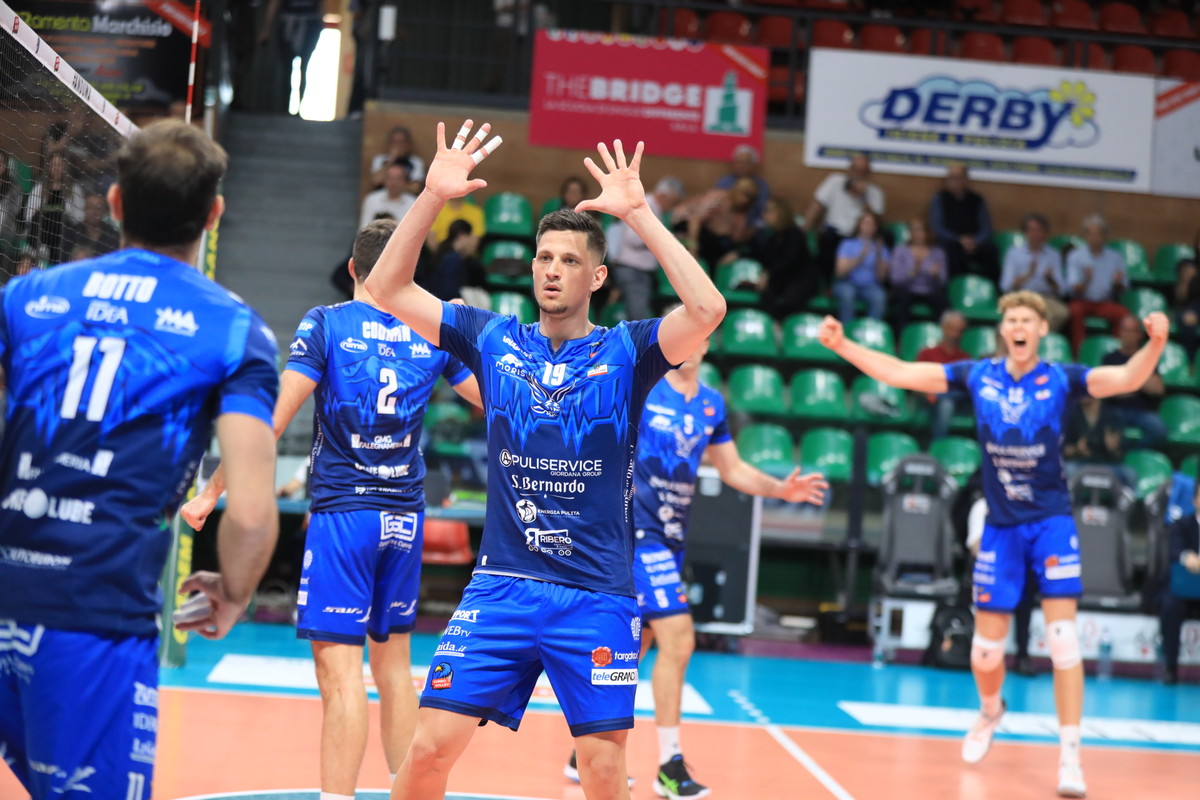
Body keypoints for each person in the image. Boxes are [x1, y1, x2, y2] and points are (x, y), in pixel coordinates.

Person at [363, 119, 725, 800]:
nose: (552, 269)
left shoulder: (628, 350)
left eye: (568, 260)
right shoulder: (490, 338)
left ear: (597, 275)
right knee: (428, 751)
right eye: (543, 257)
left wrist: (639, 214)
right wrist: (431, 196)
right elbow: (386, 289)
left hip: (596, 595)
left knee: (602, 769)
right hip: (502, 586)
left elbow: (707, 308)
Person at [0, 120, 280, 799]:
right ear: (214, 214)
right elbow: (249, 511)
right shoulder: (234, 330)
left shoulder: (25, 297)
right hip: (93, 615)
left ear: (116, 202)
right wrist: (234, 592)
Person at [818, 290, 1169, 798]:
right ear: (1003, 330)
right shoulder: (978, 375)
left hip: (1051, 523)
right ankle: (989, 710)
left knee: (1063, 641)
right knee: (985, 653)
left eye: (1028, 319)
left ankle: (1070, 755)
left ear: (1042, 329)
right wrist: (843, 345)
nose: (1019, 327)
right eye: (1011, 320)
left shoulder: (1061, 379)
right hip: (1001, 527)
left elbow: (1127, 379)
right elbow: (900, 373)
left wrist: (1155, 343)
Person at [182, 218, 481, 800]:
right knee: (393, 669)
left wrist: (210, 492)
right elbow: (496, 398)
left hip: (345, 516)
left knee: (341, 675)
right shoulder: (434, 331)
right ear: (409, 275)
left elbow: (271, 421)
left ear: (352, 270)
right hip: (405, 517)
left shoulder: (327, 322)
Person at [563, 334, 828, 799]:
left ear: (705, 345)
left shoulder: (711, 404)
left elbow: (732, 469)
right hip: (633, 533)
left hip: (671, 538)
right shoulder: (644, 387)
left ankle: (584, 749)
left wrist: (779, 490)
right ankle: (670, 765)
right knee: (680, 638)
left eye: (696, 337)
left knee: (636, 645)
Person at [608, 175, 685, 320]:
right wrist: (662, 237)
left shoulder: (653, 207)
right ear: (664, 195)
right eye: (673, 202)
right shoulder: (646, 206)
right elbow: (633, 238)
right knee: (638, 316)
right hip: (633, 270)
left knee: (638, 314)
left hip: (638, 270)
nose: (672, 206)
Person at [804, 153, 885, 287]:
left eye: (863, 171)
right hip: (834, 232)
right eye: (856, 170)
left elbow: (878, 223)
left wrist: (864, 198)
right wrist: (803, 230)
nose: (858, 174)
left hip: (858, 236)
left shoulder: (875, 192)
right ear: (849, 170)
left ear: (868, 174)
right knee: (827, 238)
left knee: (886, 237)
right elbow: (817, 205)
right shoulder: (835, 181)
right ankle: (826, 283)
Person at [1101, 314, 1167, 448]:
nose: (1128, 334)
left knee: (1159, 430)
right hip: (1114, 410)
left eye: (1132, 331)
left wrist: (1127, 381)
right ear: (1119, 332)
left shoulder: (1147, 357)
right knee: (1111, 433)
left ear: (1139, 334)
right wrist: (1141, 380)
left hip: (1142, 411)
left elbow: (1158, 389)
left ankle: (1135, 453)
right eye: (1125, 330)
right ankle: (1122, 456)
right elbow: (1109, 390)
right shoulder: (1110, 358)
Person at [1065, 215, 1128, 354]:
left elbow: (1123, 288)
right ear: (1085, 235)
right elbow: (1071, 289)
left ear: (1105, 236)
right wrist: (1086, 280)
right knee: (1074, 311)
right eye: (1091, 234)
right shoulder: (1076, 256)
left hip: (1105, 302)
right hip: (1082, 301)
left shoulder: (1115, 257)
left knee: (1123, 314)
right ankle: (1079, 352)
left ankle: (1117, 352)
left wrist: (1117, 283)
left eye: (1099, 233)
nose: (1095, 238)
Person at [1160, 482, 1200, 685]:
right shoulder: (1182, 525)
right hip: (1183, 589)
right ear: (1195, 500)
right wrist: (1187, 557)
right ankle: (1170, 668)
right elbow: (1174, 552)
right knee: (1170, 607)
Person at [930, 163, 998, 281]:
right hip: (951, 242)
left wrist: (974, 241)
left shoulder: (977, 200)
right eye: (950, 178)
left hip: (974, 243)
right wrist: (959, 240)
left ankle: (989, 288)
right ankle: (959, 287)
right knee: (952, 251)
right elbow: (938, 228)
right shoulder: (940, 199)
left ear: (966, 180)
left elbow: (986, 229)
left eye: (957, 178)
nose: (953, 181)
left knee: (992, 250)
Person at [999, 213, 1068, 331]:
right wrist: (1026, 276)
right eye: (1031, 230)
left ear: (1045, 233)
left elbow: (1062, 290)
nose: (1035, 234)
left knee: (1061, 312)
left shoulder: (1053, 255)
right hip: (1021, 296)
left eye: (1039, 230)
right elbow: (1005, 286)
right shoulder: (1014, 253)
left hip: (1045, 298)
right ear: (1025, 232)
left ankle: (1038, 336)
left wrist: (1050, 280)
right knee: (1020, 313)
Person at [750, 196, 815, 320]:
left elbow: (790, 260)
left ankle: (786, 325)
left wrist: (769, 273)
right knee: (766, 291)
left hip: (801, 279)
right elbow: (762, 256)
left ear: (780, 213)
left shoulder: (794, 234)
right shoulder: (773, 237)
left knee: (791, 298)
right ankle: (772, 323)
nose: (765, 215)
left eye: (769, 211)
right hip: (783, 279)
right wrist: (738, 254)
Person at [262, 0, 325, 115]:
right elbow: (274, 3)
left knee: (304, 68)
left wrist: (320, 23)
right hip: (289, 24)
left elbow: (321, 5)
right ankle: (285, 108)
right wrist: (266, 28)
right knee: (287, 70)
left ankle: (299, 108)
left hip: (309, 24)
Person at [916, 310, 969, 441]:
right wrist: (927, 393)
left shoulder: (965, 358)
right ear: (943, 328)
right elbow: (915, 381)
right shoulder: (927, 354)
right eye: (952, 329)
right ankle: (937, 445)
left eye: (959, 330)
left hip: (959, 399)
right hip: (930, 399)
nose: (955, 334)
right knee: (946, 404)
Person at [889, 217, 947, 331]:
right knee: (902, 301)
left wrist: (936, 276)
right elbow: (895, 280)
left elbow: (943, 281)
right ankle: (902, 337)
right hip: (907, 290)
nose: (917, 233)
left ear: (926, 232)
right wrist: (912, 273)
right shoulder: (901, 250)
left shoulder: (937, 252)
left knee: (943, 304)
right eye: (914, 230)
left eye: (920, 230)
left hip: (930, 291)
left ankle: (938, 336)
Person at [832, 210, 889, 323]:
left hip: (870, 286)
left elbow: (882, 278)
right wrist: (860, 258)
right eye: (865, 223)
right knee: (847, 294)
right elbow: (839, 272)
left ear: (875, 228)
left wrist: (878, 255)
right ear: (859, 225)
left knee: (879, 297)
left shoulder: (881, 248)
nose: (868, 227)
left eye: (872, 224)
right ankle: (847, 330)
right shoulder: (847, 244)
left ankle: (871, 330)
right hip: (848, 283)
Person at [713, 144, 770, 228]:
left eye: (746, 162)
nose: (742, 165)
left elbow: (762, 211)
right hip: (725, 224)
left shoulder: (762, 186)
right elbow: (717, 208)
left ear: (754, 165)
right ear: (733, 163)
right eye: (739, 162)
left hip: (752, 226)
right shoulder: (723, 183)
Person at [429, 219, 485, 302]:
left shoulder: (445, 252)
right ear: (461, 235)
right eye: (469, 236)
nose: (470, 241)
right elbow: (449, 290)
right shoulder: (452, 258)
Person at [361, 160, 417, 229]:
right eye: (390, 178)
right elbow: (364, 228)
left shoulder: (413, 203)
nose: (393, 183)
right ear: (385, 180)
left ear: (405, 181)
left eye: (397, 179)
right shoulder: (372, 200)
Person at [371, 126, 427, 191]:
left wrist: (394, 186)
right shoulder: (380, 159)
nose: (398, 146)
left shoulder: (416, 162)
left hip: (406, 196)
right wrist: (391, 159)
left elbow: (415, 188)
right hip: (382, 194)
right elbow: (376, 181)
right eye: (395, 142)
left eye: (401, 142)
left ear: (408, 144)